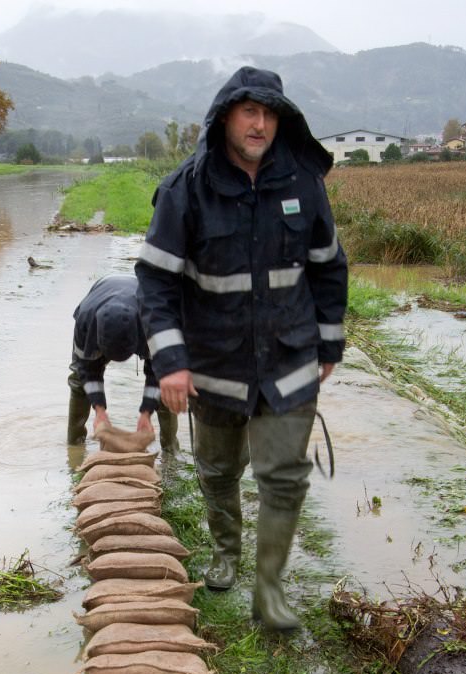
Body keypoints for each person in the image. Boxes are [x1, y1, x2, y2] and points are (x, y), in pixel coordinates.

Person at [135, 65, 348, 631]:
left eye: (270, 113)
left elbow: (329, 267)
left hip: (290, 358)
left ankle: (270, 590)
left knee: (283, 475)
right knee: (218, 469)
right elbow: (156, 283)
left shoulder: (303, 184)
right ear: (225, 115)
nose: (259, 124)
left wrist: (329, 341)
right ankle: (226, 550)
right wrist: (171, 362)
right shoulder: (186, 190)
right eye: (249, 112)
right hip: (217, 365)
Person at [67, 274, 178, 451]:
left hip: (141, 305)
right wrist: (99, 410)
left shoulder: (155, 321)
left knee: (166, 382)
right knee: (79, 381)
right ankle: (74, 444)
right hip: (101, 293)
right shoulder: (85, 322)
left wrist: (146, 412)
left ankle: (171, 449)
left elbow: (156, 373)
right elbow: (87, 370)